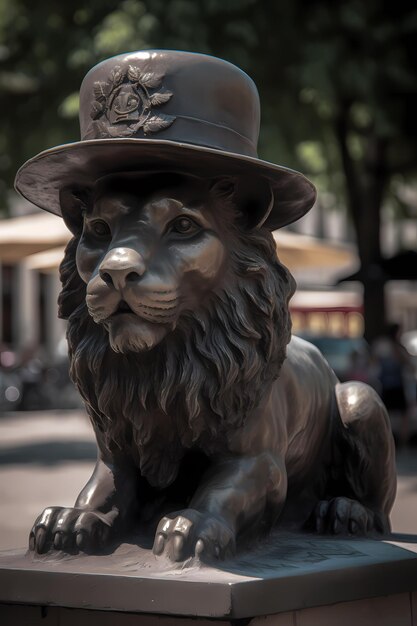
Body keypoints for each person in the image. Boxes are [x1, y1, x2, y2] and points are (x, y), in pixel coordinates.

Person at [372, 322, 415, 446]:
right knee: (395, 413)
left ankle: (398, 440)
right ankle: (394, 439)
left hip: (393, 385)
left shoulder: (394, 346)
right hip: (390, 385)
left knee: (397, 413)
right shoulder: (388, 346)